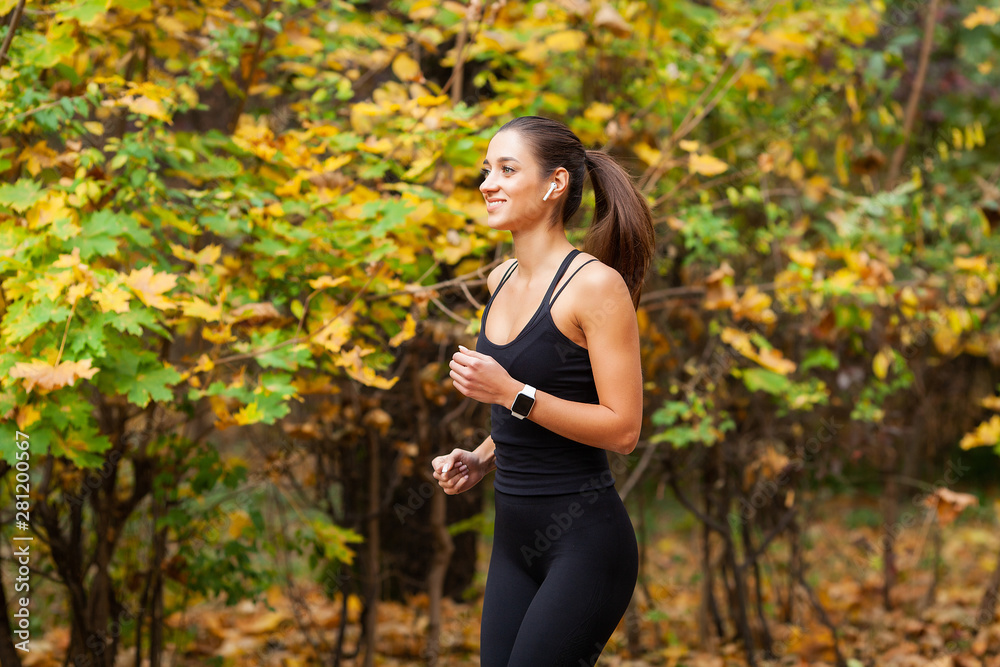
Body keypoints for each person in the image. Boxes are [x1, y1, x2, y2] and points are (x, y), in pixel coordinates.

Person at [431, 115, 655, 667]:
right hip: (514, 538)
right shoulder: (499, 280)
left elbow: (623, 429)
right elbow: (531, 411)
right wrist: (483, 457)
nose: (488, 182)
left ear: (555, 184)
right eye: (487, 169)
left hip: (585, 542)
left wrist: (511, 392)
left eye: (508, 169)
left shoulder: (594, 286)